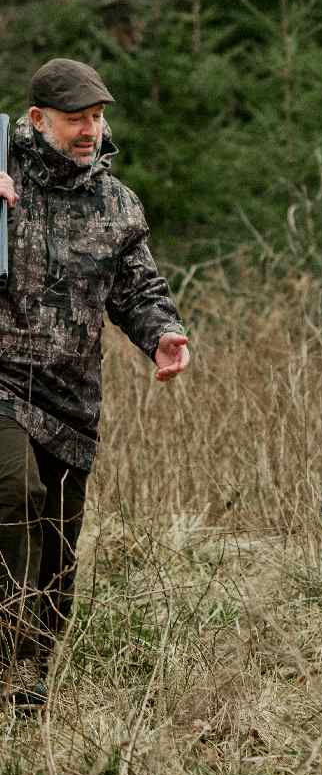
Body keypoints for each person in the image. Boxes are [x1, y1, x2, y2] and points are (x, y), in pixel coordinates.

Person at [0, 58, 190, 709]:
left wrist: (163, 334)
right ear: (37, 120)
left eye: (97, 117)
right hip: (2, 376)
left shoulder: (114, 203)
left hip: (71, 393)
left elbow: (138, 290)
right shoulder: (2, 172)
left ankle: (33, 664)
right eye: (76, 119)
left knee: (58, 537)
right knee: (13, 494)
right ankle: (5, 642)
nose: (90, 131)